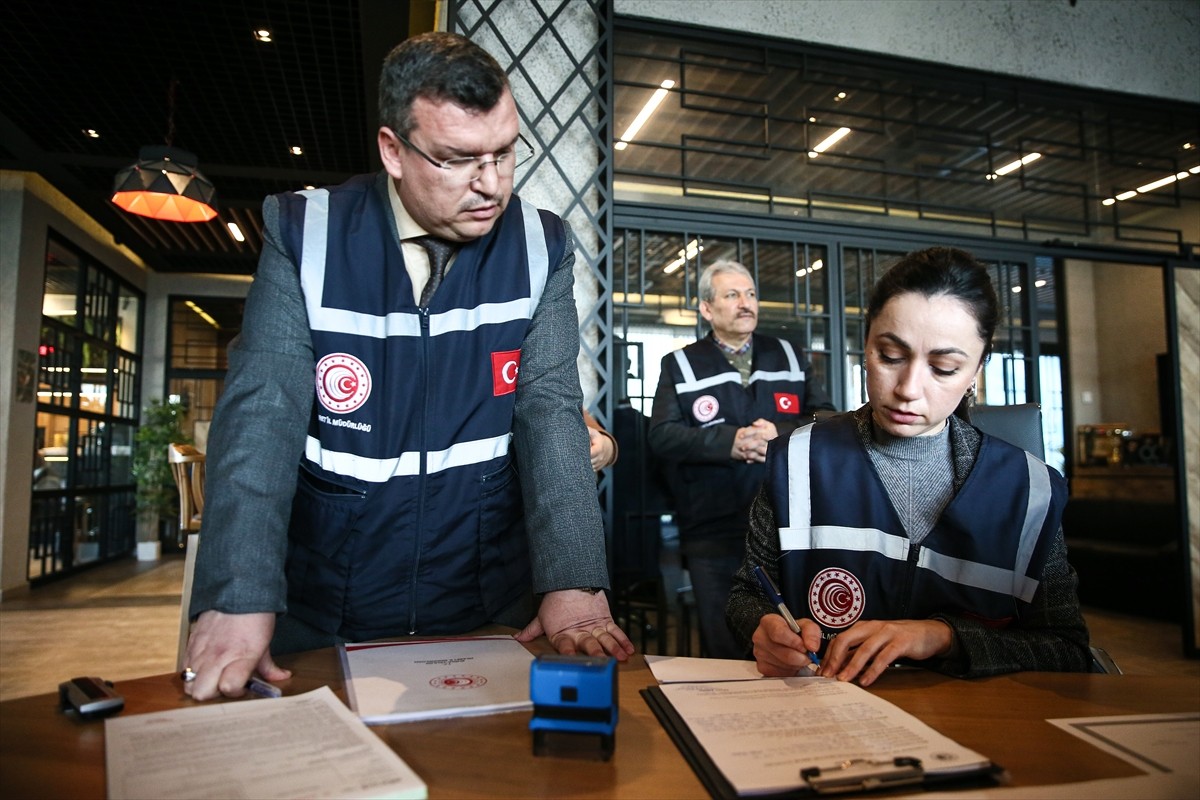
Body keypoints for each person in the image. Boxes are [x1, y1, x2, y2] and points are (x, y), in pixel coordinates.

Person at [184, 32, 633, 701]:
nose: (492, 185)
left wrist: (573, 581)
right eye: (457, 160)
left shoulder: (544, 245)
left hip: (486, 601)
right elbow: (262, 420)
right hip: (325, 602)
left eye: (505, 152)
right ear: (393, 150)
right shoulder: (305, 233)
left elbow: (548, 410)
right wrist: (238, 591)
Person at [727, 246, 1092, 686]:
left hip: (976, 727)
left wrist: (944, 637)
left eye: (943, 367)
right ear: (865, 346)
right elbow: (748, 594)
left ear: (977, 367)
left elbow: (1068, 649)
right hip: (826, 716)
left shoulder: (1029, 491)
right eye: (891, 356)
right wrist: (761, 629)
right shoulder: (799, 460)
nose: (908, 390)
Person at [649, 260, 836, 659]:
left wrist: (780, 434)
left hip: (786, 525)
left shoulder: (788, 353)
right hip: (712, 528)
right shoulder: (679, 364)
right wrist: (728, 442)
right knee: (725, 645)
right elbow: (662, 437)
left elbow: (828, 419)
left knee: (791, 644)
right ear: (706, 309)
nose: (745, 302)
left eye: (750, 293)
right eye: (732, 295)